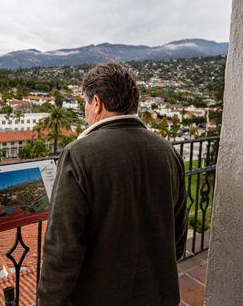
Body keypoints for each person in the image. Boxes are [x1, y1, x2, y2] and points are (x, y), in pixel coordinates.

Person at [37, 63, 187, 306]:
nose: (86, 110)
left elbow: (62, 250)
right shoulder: (167, 151)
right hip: (160, 295)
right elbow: (177, 238)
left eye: (85, 103)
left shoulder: (79, 154)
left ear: (96, 102)